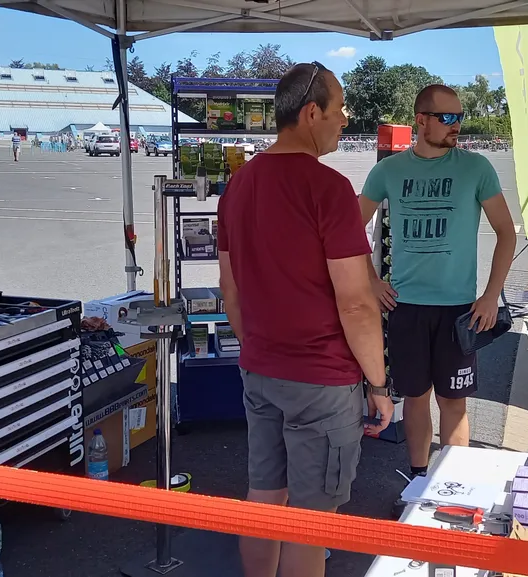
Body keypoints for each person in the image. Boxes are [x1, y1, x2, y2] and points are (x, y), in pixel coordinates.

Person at [217, 61, 394, 577]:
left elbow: (231, 291)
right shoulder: (329, 188)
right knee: (314, 520)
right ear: (311, 112)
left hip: (260, 370)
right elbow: (357, 302)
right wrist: (379, 383)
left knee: (265, 497)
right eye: (339, 110)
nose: (345, 119)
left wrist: (260, 346)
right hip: (321, 378)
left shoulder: (240, 185)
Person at [359, 85, 516, 480]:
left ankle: (452, 488)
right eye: (446, 118)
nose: (456, 125)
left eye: (459, 117)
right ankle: (418, 480)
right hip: (406, 307)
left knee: (454, 402)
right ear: (421, 120)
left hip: (460, 309)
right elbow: (347, 228)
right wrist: (372, 280)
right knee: (415, 399)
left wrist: (491, 296)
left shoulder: (476, 167)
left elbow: (506, 232)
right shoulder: (389, 171)